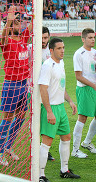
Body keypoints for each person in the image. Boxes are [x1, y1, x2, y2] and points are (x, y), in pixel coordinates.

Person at [38, 38, 80, 182]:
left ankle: (64, 170)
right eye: (59, 48)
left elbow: (60, 86)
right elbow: (43, 89)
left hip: (61, 107)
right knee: (47, 141)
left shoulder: (61, 63)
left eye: (63, 47)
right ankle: (40, 175)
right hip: (51, 108)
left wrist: (70, 101)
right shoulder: (47, 66)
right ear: (51, 50)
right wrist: (49, 111)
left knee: (66, 137)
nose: (62, 50)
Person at [0, 6, 32, 166]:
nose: (20, 26)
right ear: (11, 27)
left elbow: (32, 25)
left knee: (21, 117)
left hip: (24, 85)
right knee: (8, 118)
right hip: (11, 85)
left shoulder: (24, 39)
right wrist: (10, 18)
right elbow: (2, 38)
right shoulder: (7, 42)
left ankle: (9, 147)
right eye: (16, 24)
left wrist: (36, 11)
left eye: (20, 24)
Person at [72, 28, 96, 158]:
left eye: (94, 37)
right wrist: (94, 85)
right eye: (90, 37)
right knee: (83, 118)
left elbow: (91, 71)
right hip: (85, 88)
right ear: (83, 39)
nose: (93, 40)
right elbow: (79, 76)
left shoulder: (94, 52)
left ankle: (86, 142)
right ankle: (75, 150)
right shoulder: (78, 54)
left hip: (94, 87)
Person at [27, 26, 54, 161]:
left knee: (46, 121)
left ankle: (44, 150)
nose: (43, 40)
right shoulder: (30, 49)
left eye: (45, 38)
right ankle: (35, 148)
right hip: (33, 91)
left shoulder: (51, 50)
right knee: (35, 121)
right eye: (41, 37)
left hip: (48, 92)